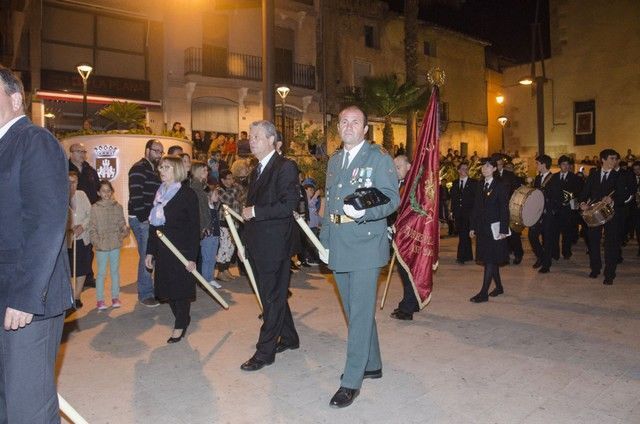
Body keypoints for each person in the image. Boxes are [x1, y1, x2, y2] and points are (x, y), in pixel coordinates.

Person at [0, 66, 73, 422]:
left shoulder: (34, 141)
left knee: (26, 407)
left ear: (15, 99)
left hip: (27, 298)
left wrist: (26, 296)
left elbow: (46, 222)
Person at [319, 105, 399, 408]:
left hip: (366, 244)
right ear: (338, 128)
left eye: (355, 122)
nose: (349, 126)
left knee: (360, 313)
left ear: (365, 129)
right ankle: (373, 363)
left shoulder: (378, 158)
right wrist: (325, 240)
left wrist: (365, 211)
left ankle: (351, 380)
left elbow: (392, 199)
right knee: (355, 311)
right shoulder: (335, 160)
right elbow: (330, 202)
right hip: (339, 243)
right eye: (344, 122)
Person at [239, 120, 300, 371]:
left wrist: (255, 211)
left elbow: (288, 205)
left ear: (271, 140)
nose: (251, 141)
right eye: (250, 137)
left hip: (275, 245)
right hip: (258, 243)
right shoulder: (257, 170)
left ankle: (264, 352)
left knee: (272, 298)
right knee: (272, 295)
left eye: (256, 137)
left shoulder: (285, 167)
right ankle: (290, 337)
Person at [145, 155, 200, 343]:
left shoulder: (188, 194)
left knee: (180, 290)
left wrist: (192, 257)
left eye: (166, 167)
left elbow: (194, 228)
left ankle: (180, 323)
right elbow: (154, 226)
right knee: (167, 289)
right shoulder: (159, 193)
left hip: (181, 250)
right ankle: (182, 317)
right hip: (163, 250)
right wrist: (150, 251)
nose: (161, 170)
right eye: (161, 167)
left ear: (176, 170)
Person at [578, 149, 627, 285]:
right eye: (612, 158)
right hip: (594, 214)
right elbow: (584, 193)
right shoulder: (593, 175)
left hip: (612, 215)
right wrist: (582, 203)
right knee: (593, 242)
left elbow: (623, 196)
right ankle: (595, 268)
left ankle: (609, 274)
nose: (614, 161)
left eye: (615, 159)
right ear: (603, 160)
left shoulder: (619, 176)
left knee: (611, 244)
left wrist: (612, 200)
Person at [469, 156, 510, 303]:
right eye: (483, 166)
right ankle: (499, 287)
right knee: (489, 259)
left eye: (487, 166)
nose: (484, 168)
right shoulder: (480, 184)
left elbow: (504, 209)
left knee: (490, 260)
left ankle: (483, 293)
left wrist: (504, 229)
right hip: (482, 229)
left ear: (494, 169)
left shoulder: (500, 185)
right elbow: (476, 207)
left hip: (495, 229)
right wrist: (472, 226)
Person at [128, 139, 163, 307]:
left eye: (161, 152)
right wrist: (144, 219)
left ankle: (151, 289)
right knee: (146, 255)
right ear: (147, 150)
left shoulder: (155, 170)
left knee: (151, 255)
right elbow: (136, 196)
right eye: (156, 151)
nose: (159, 155)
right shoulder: (138, 168)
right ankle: (145, 293)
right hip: (141, 219)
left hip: (151, 219)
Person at [88, 180, 129, 310]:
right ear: (98, 193)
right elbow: (92, 228)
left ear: (112, 192)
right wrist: (97, 242)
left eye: (108, 190)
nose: (106, 193)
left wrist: (124, 230)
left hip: (115, 244)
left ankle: (115, 297)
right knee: (101, 274)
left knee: (115, 272)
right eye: (103, 191)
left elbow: (121, 222)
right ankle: (100, 300)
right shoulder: (94, 208)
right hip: (101, 246)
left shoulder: (118, 207)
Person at [389, 154, 420, 321]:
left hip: (409, 236)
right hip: (399, 234)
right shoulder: (399, 184)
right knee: (405, 271)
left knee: (407, 270)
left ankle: (407, 309)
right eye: (393, 167)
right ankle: (412, 302)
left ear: (409, 167)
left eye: (398, 167)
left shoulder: (412, 186)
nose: (395, 170)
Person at [189, 160, 221, 288]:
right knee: (206, 255)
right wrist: (204, 226)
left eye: (207, 170)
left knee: (209, 255)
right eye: (204, 170)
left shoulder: (202, 186)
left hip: (207, 224)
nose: (207, 172)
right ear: (197, 171)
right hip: (204, 226)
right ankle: (206, 279)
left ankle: (208, 278)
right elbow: (200, 210)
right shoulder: (195, 188)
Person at [528, 155, 560, 273]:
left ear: (543, 164)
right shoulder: (537, 178)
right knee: (532, 236)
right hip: (537, 214)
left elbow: (558, 197)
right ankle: (541, 257)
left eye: (537, 163)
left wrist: (551, 210)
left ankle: (546, 264)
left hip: (548, 214)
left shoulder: (554, 179)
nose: (536, 165)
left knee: (547, 240)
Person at [68, 171, 92, 308]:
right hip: (67, 240)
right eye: (69, 182)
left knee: (82, 268)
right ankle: (68, 296)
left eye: (75, 182)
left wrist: (82, 226)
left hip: (82, 238)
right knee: (69, 269)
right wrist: (70, 227)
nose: (72, 185)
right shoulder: (59, 196)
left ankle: (77, 296)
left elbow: (90, 213)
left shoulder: (82, 195)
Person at [495, 155, 524, 264]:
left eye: (500, 164)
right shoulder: (492, 175)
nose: (498, 166)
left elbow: (517, 191)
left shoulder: (510, 175)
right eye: (496, 164)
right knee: (501, 233)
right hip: (497, 208)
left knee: (513, 232)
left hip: (509, 208)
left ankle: (518, 254)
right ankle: (504, 254)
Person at [216, 169, 243, 282]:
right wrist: (236, 190)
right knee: (224, 246)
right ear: (222, 180)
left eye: (232, 178)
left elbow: (241, 197)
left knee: (231, 247)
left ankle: (226, 269)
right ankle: (220, 271)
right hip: (223, 221)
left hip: (234, 222)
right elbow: (229, 199)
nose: (232, 180)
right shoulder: (219, 190)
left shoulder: (233, 189)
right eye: (229, 178)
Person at [555, 155, 583, 259]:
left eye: (568, 164)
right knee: (555, 232)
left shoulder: (575, 178)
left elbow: (579, 191)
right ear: (559, 165)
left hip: (568, 209)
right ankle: (555, 253)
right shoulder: (554, 177)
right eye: (563, 164)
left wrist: (569, 198)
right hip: (556, 209)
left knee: (567, 232)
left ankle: (566, 252)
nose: (566, 166)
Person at [450, 161, 478, 264]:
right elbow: (453, 199)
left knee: (464, 234)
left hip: (469, 214)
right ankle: (468, 255)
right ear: (458, 170)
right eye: (463, 169)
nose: (465, 171)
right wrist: (452, 211)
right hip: (458, 214)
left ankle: (461, 257)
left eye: (466, 169)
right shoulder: (455, 183)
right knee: (464, 235)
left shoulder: (473, 183)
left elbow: (476, 199)